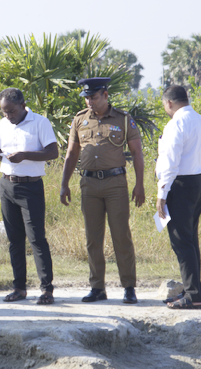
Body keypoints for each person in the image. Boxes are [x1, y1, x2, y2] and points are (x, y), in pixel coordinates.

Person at [60, 78, 145, 304]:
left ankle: (129, 287)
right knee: (93, 238)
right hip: (89, 184)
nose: (90, 102)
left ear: (105, 95)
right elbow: (71, 154)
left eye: (94, 97)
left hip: (115, 183)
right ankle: (97, 287)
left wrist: (139, 184)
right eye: (87, 98)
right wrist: (64, 183)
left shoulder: (123, 119)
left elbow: (137, 153)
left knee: (121, 236)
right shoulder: (79, 119)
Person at [0, 88, 58, 305]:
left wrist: (24, 156)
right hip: (6, 185)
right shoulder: (3, 124)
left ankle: (47, 289)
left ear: (22, 105)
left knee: (36, 239)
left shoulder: (40, 122)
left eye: (11, 111)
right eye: (4, 112)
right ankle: (19, 288)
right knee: (14, 240)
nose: (7, 115)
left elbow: (53, 152)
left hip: (30, 187)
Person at [156, 85, 201, 310]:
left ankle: (193, 296)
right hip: (198, 181)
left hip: (180, 184)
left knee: (181, 241)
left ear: (169, 103)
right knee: (190, 239)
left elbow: (170, 163)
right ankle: (192, 290)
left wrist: (162, 195)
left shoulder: (175, 124)